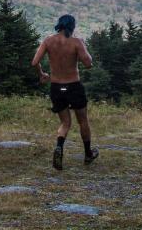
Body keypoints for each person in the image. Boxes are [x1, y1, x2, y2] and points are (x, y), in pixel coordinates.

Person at [31, 14, 98, 170]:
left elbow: (34, 62)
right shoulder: (76, 42)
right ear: (72, 26)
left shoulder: (48, 41)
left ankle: (59, 147)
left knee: (65, 122)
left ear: (59, 25)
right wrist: (83, 49)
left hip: (56, 86)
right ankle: (88, 154)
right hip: (73, 86)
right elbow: (88, 64)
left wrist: (42, 74)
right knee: (83, 121)